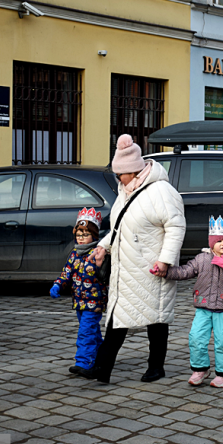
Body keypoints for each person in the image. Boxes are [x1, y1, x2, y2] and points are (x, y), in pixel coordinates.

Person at [85, 134, 186, 384]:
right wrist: (103, 247)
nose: (118, 178)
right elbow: (119, 227)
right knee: (119, 317)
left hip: (151, 268)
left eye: (120, 174)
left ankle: (154, 367)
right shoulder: (126, 191)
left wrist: (165, 260)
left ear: (133, 170)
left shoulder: (162, 191)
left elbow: (176, 226)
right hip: (126, 267)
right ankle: (102, 369)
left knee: (156, 318)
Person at [166, 216, 223, 388]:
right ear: (211, 243)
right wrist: (166, 272)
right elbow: (185, 271)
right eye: (219, 241)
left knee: (222, 341)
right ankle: (200, 369)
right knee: (196, 337)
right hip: (203, 307)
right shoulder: (202, 259)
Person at [50, 208, 108, 376]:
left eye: (86, 235)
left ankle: (84, 361)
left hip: (94, 301)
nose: (81, 238)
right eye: (79, 234)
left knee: (86, 331)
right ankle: (101, 355)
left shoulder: (98, 253)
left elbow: (106, 274)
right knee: (92, 331)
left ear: (94, 236)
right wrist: (58, 285)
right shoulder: (74, 254)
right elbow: (66, 273)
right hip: (79, 301)